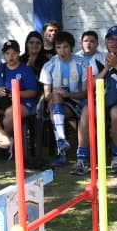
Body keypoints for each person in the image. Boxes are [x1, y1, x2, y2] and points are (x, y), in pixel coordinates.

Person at [71, 25, 117, 175]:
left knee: (116, 112)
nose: (114, 43)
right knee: (87, 110)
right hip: (101, 102)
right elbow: (87, 87)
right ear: (105, 41)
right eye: (111, 39)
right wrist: (106, 68)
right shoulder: (97, 58)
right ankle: (82, 159)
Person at [39, 31, 87, 165]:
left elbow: (85, 93)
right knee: (54, 97)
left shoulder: (82, 63)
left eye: (65, 47)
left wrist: (68, 94)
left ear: (71, 47)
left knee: (54, 109)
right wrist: (58, 93)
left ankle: (61, 151)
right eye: (58, 47)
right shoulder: (49, 65)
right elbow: (47, 95)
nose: (62, 51)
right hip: (57, 103)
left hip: (77, 104)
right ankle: (61, 140)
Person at [0, 39, 39, 143]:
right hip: (2, 101)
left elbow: (33, 92)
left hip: (23, 102)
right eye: (7, 53)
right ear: (4, 55)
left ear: (18, 54)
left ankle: (8, 140)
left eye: (14, 53)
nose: (11, 56)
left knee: (10, 115)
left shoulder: (26, 70)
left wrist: (16, 94)